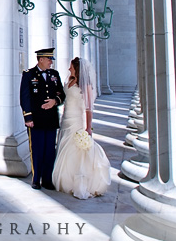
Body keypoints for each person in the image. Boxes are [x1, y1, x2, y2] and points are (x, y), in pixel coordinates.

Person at [52, 57, 111, 199]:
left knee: (74, 150)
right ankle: (65, 177)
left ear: (77, 68)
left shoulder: (85, 86)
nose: (68, 69)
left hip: (76, 121)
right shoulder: (69, 81)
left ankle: (77, 180)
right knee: (64, 145)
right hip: (66, 118)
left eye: (71, 66)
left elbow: (88, 108)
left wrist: (88, 127)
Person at [19, 47, 65, 190]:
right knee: (37, 150)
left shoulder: (54, 74)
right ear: (41, 59)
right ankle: (36, 179)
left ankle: (47, 179)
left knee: (49, 151)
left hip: (50, 119)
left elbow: (62, 94)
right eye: (49, 59)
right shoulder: (29, 74)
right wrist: (28, 118)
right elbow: (24, 97)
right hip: (36, 120)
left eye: (51, 59)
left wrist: (54, 101)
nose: (51, 62)